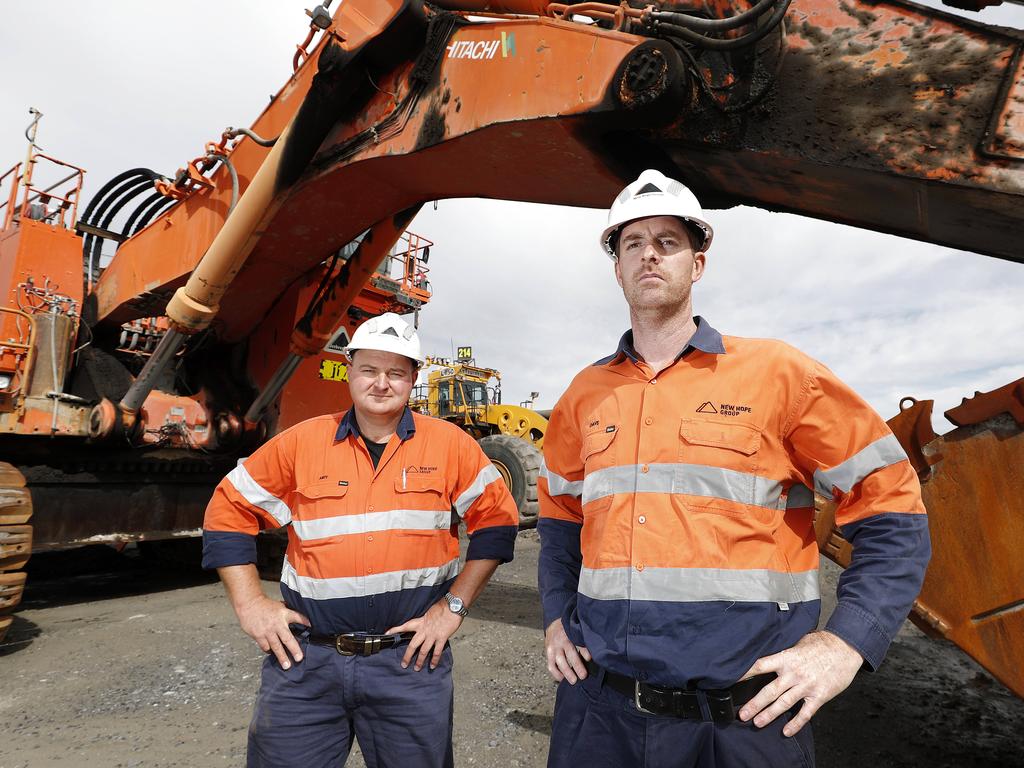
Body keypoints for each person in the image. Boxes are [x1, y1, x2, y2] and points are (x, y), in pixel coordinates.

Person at [537, 169, 931, 767]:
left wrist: (847, 640)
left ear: (697, 264)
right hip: (599, 718)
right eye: (632, 243)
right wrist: (554, 618)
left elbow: (892, 503)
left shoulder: (780, 376)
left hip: (741, 726)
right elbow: (561, 524)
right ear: (616, 266)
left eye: (668, 242)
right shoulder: (582, 396)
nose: (649, 254)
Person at [203, 312, 519, 768]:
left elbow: (498, 522)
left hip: (408, 665)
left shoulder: (451, 445)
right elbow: (228, 508)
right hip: (306, 663)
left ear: (413, 378)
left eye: (395, 372)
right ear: (349, 371)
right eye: (369, 369)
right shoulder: (300, 443)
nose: (381, 383)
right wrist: (250, 604)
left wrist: (453, 608)